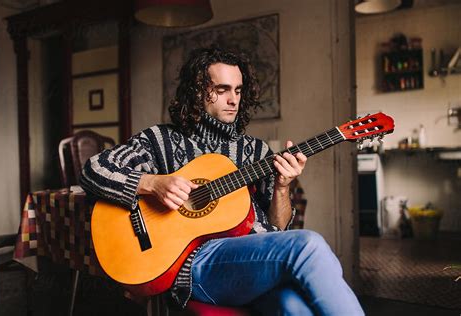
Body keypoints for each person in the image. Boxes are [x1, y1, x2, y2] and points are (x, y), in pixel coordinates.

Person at [80, 47, 364, 315]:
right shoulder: (161, 139)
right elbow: (94, 169)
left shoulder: (257, 151)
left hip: (250, 263)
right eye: (222, 89)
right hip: (193, 263)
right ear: (197, 92)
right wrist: (153, 184)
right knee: (307, 245)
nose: (233, 100)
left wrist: (282, 186)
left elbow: (276, 229)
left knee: (292, 307)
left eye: (238, 90)